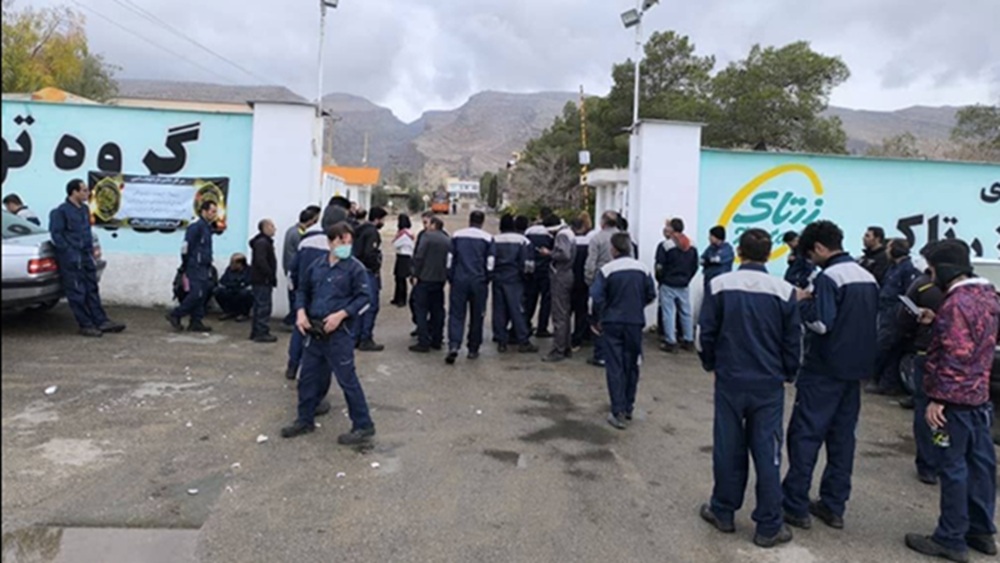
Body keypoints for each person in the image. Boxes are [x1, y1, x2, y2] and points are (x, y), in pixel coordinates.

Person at [698, 228, 800, 549]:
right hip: (768, 384)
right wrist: (787, 373)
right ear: (769, 255)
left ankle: (723, 510)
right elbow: (792, 342)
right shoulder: (784, 291)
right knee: (767, 451)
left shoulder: (719, 285)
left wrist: (711, 364)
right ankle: (769, 525)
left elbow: (706, 333)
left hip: (730, 380)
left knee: (728, 446)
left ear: (738, 252)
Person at [905, 240, 999, 563]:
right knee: (982, 465)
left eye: (931, 268)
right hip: (978, 398)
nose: (928, 275)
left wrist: (938, 399)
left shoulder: (956, 303)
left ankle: (950, 537)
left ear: (944, 268)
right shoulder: (989, 295)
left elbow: (956, 355)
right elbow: (981, 341)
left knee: (953, 466)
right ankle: (981, 530)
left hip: (952, 404)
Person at [782, 220, 878, 532]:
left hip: (823, 370)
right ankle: (834, 505)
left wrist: (800, 305)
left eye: (812, 255)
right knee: (841, 441)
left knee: (805, 436)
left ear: (820, 248)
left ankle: (795, 505)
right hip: (855, 372)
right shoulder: (868, 277)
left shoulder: (829, 278)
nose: (812, 261)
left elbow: (822, 324)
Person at [281, 222, 376, 446]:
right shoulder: (317, 266)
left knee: (348, 380)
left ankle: (363, 425)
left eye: (349, 242)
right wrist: (301, 313)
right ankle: (305, 419)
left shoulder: (355, 269)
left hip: (339, 334)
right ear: (330, 242)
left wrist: (341, 315)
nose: (346, 245)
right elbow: (302, 290)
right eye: (342, 241)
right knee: (307, 378)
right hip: (315, 332)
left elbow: (364, 298)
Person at [591, 232, 656, 430]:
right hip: (635, 322)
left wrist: (600, 317)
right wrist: (635, 307)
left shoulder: (607, 270)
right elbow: (651, 295)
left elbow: (596, 296)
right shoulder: (643, 269)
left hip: (612, 322)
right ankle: (629, 406)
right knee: (632, 364)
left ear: (613, 249)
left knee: (615, 365)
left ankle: (617, 409)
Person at [48, 179, 125, 337]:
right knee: (77, 292)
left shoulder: (84, 209)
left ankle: (101, 321)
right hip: (72, 259)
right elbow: (57, 235)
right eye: (83, 190)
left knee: (92, 289)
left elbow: (86, 232)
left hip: (86, 257)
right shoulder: (60, 212)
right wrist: (69, 252)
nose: (87, 193)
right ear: (74, 192)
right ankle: (85, 324)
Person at [896, 244, 946, 485]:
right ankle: (946, 461)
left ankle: (928, 465)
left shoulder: (922, 284)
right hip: (960, 368)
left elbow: (903, 318)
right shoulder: (974, 291)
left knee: (926, 411)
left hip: (926, 354)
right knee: (948, 415)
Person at [868, 238, 920, 396]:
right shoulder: (892, 267)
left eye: (888, 248)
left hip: (894, 313)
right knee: (886, 347)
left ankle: (883, 381)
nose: (886, 251)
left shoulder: (907, 269)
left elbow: (907, 293)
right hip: (884, 310)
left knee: (887, 347)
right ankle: (885, 383)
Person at [445, 211, 495, 365]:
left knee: (456, 314)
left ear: (469, 220)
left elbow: (449, 259)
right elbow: (491, 262)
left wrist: (451, 277)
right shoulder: (488, 238)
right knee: (477, 315)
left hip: (459, 280)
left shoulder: (457, 236)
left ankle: (454, 344)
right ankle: (473, 348)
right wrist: (487, 279)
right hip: (478, 281)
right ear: (482, 221)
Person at [285, 221, 330, 380]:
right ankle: (309, 373)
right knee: (319, 336)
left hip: (303, 293)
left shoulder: (306, 241)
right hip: (324, 297)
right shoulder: (336, 245)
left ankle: (292, 365)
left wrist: (295, 290)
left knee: (300, 329)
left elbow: (293, 268)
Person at [167, 200, 218, 333]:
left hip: (204, 265)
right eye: (212, 211)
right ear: (204, 211)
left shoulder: (207, 227)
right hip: (194, 265)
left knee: (203, 294)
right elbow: (186, 246)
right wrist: (185, 263)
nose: (214, 214)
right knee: (196, 293)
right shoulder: (196, 226)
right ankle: (176, 314)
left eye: (215, 212)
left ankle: (196, 321)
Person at [491, 214, 538, 354]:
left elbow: (490, 260)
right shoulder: (523, 241)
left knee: (499, 310)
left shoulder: (494, 240)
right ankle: (523, 340)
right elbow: (528, 263)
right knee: (517, 310)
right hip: (515, 280)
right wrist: (527, 278)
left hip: (498, 279)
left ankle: (501, 340)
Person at [655, 218, 699, 354]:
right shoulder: (692, 244)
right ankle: (688, 339)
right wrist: (687, 278)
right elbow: (695, 266)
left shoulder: (665, 245)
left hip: (668, 283)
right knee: (686, 312)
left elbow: (659, 266)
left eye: (667, 227)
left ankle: (670, 341)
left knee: (668, 312)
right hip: (684, 283)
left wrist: (660, 279)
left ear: (672, 230)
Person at [584, 211, 621, 368]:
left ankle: (600, 354)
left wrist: (590, 281)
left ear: (603, 222)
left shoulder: (597, 238)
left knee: (598, 318)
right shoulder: (623, 237)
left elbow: (590, 263)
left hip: (601, 280)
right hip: (620, 281)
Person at [409, 216, 450, 353]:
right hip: (439, 280)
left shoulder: (427, 237)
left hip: (424, 279)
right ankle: (437, 340)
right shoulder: (447, 239)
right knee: (437, 311)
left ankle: (423, 341)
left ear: (433, 225)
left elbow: (419, 257)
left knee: (421, 310)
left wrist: (414, 273)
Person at [353, 207, 387, 352]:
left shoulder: (360, 230)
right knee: (371, 306)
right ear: (377, 219)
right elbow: (369, 254)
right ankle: (365, 338)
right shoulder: (372, 232)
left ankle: (356, 337)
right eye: (383, 219)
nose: (384, 222)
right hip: (368, 272)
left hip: (358, 271)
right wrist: (375, 266)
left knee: (360, 306)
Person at [543, 216, 576, 362]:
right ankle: (566, 346)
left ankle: (558, 349)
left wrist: (549, 254)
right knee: (565, 313)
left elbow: (564, 254)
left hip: (560, 275)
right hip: (568, 275)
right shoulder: (569, 233)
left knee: (559, 314)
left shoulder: (562, 235)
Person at [283, 206, 321, 327]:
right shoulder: (298, 234)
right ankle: (291, 321)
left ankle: (291, 319)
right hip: (295, 271)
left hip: (292, 269)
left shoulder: (292, 230)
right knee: (297, 298)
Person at [524, 215, 556, 338]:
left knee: (530, 299)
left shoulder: (528, 233)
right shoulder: (550, 235)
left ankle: (526, 324)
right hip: (546, 271)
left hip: (531, 270)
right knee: (546, 301)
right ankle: (542, 328)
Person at [249, 219, 278, 343]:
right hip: (262, 279)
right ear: (265, 228)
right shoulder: (262, 243)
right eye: (272, 226)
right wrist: (269, 274)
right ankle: (261, 332)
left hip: (261, 279)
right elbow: (261, 261)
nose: (274, 229)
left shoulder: (263, 242)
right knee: (263, 306)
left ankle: (257, 331)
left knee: (260, 305)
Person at [571, 217, 593, 350]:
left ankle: (566, 337)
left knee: (566, 310)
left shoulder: (569, 241)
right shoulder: (590, 243)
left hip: (569, 279)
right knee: (582, 310)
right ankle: (580, 336)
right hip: (584, 280)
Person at [215, 254, 253, 321]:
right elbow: (223, 281)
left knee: (245, 293)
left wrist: (238, 285)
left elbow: (248, 283)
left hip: (241, 291)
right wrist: (235, 284)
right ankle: (228, 311)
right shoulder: (229, 270)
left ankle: (244, 313)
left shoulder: (249, 270)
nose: (231, 264)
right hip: (231, 290)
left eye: (233, 262)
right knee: (218, 291)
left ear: (239, 264)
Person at [391, 214, 415, 308]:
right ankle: (397, 297)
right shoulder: (408, 232)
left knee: (401, 279)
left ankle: (402, 299)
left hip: (403, 256)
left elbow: (395, 244)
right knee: (398, 278)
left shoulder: (404, 234)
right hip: (404, 256)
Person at [701, 225, 735, 290]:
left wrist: (709, 261)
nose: (709, 238)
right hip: (709, 280)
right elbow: (702, 260)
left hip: (721, 281)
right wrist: (708, 260)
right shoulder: (710, 248)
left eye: (711, 236)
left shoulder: (727, 249)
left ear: (717, 237)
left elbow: (717, 260)